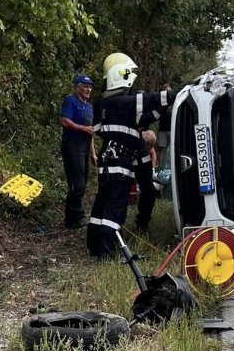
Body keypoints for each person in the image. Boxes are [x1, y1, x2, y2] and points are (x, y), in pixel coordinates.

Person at [87, 53, 175, 259]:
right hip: (121, 160)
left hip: (112, 158)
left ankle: (95, 246)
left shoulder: (103, 104)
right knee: (115, 207)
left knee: (102, 202)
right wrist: (180, 91)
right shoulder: (125, 102)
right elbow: (155, 99)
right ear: (122, 75)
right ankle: (106, 253)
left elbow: (107, 127)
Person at [60, 75, 95, 229]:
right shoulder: (70, 101)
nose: (88, 90)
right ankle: (75, 216)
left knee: (82, 182)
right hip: (72, 145)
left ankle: (73, 219)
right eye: (85, 86)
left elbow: (91, 131)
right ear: (77, 88)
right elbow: (64, 121)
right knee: (77, 183)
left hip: (85, 146)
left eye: (90, 87)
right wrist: (82, 128)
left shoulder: (89, 107)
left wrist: (93, 153)